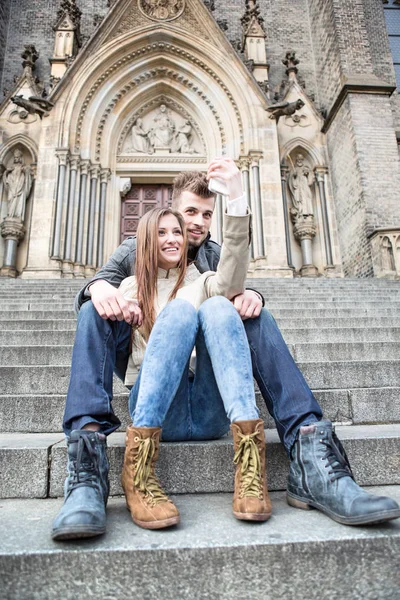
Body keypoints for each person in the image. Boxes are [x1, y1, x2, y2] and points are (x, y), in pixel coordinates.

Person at [52, 158, 400, 540]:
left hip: (207, 393)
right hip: (152, 386)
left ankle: (311, 453)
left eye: (206, 214)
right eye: (189, 213)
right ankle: (86, 466)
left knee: (246, 311)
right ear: (167, 213)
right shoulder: (133, 255)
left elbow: (231, 279)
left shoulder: (212, 259)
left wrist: (249, 286)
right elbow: (103, 280)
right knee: (93, 310)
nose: (197, 223)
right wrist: (97, 287)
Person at [118, 201, 271, 529]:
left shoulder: (201, 280)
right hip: (160, 410)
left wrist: (236, 203)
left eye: (177, 231)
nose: (173, 238)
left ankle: (250, 468)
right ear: (146, 239)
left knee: (218, 304)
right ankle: (139, 474)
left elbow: (230, 281)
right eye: (161, 233)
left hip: (209, 412)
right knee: (179, 312)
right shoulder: (129, 290)